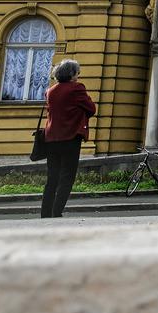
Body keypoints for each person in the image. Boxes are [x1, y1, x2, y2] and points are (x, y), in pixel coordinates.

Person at [40, 59, 95, 219]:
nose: (78, 76)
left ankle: (45, 213)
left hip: (51, 138)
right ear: (71, 74)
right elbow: (91, 109)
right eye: (77, 73)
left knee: (52, 177)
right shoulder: (77, 88)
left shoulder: (50, 90)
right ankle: (56, 212)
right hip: (70, 137)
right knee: (67, 176)